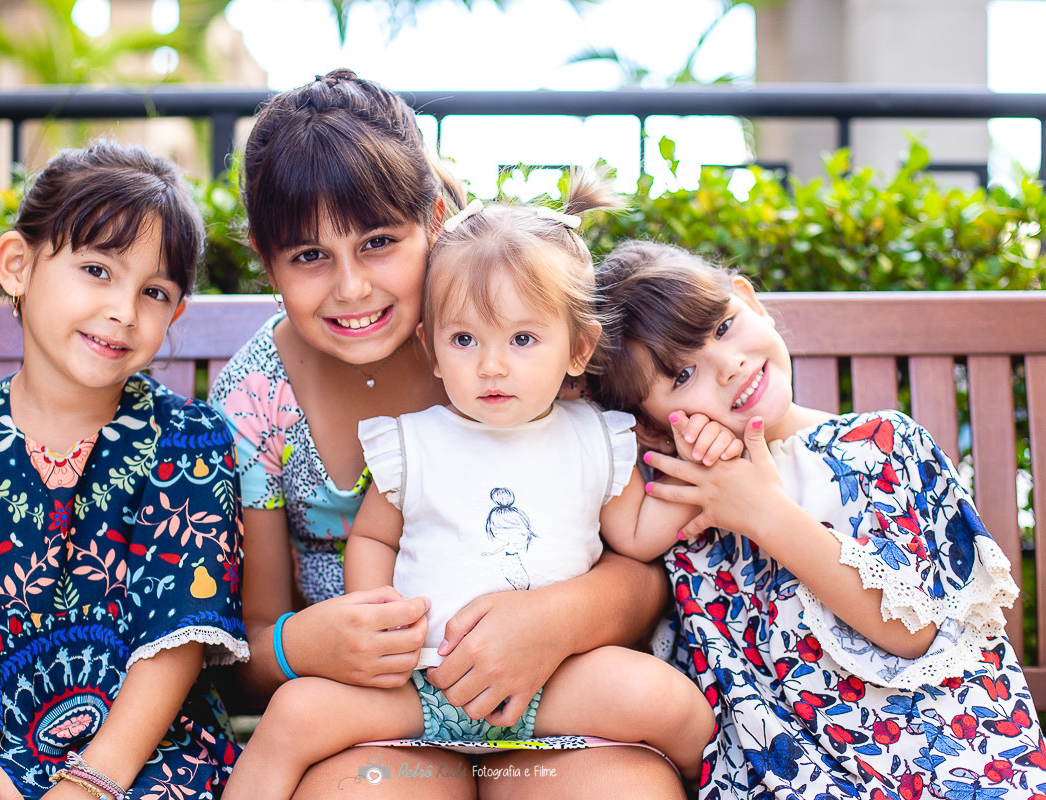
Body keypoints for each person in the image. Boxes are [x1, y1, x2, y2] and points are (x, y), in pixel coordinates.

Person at [208, 69, 683, 799]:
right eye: (309, 256)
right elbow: (242, 652)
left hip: (559, 694)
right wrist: (304, 643)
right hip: (384, 714)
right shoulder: (255, 400)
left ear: (432, 218)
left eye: (378, 242)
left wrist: (558, 619)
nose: (351, 288)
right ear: (265, 258)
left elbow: (647, 567)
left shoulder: (525, 337)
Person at [0, 141, 250, 800]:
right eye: (97, 269)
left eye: (154, 292)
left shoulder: (189, 444)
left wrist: (91, 783)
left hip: (149, 758)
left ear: (174, 313)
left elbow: (176, 639)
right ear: (18, 265)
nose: (125, 310)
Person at [586, 239, 1046, 799]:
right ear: (651, 426)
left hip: (943, 752)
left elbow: (914, 633)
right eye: (683, 375)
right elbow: (624, 526)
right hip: (792, 776)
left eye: (723, 327)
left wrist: (766, 515)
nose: (728, 366)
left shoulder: (878, 446)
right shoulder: (682, 502)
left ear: (750, 301)